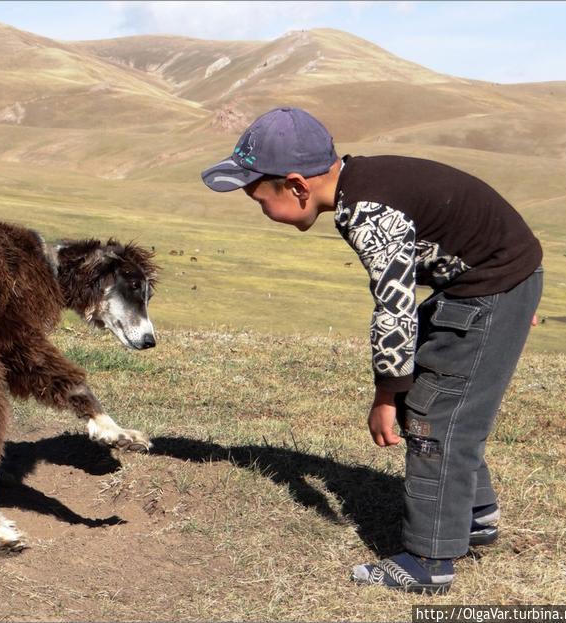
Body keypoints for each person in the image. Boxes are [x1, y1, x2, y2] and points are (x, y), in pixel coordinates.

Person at [200, 107, 543, 594]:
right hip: (490, 282)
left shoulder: (368, 212)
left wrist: (386, 394)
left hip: (490, 289)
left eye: (259, 199)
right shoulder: (358, 183)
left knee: (432, 417)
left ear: (297, 186)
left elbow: (394, 309)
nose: (261, 211)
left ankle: (430, 560)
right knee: (439, 401)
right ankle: (474, 516)